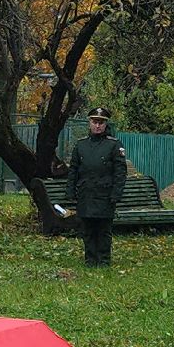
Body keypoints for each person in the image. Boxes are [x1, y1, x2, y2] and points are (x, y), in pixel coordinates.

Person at [66, 105, 127, 267]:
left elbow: (120, 172)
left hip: (105, 195)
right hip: (86, 194)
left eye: (101, 122)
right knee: (87, 230)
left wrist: (116, 194)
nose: (98, 125)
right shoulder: (81, 145)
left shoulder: (114, 145)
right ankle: (90, 260)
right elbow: (73, 169)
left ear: (106, 124)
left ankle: (104, 261)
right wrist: (70, 191)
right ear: (89, 123)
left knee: (103, 230)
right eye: (95, 122)